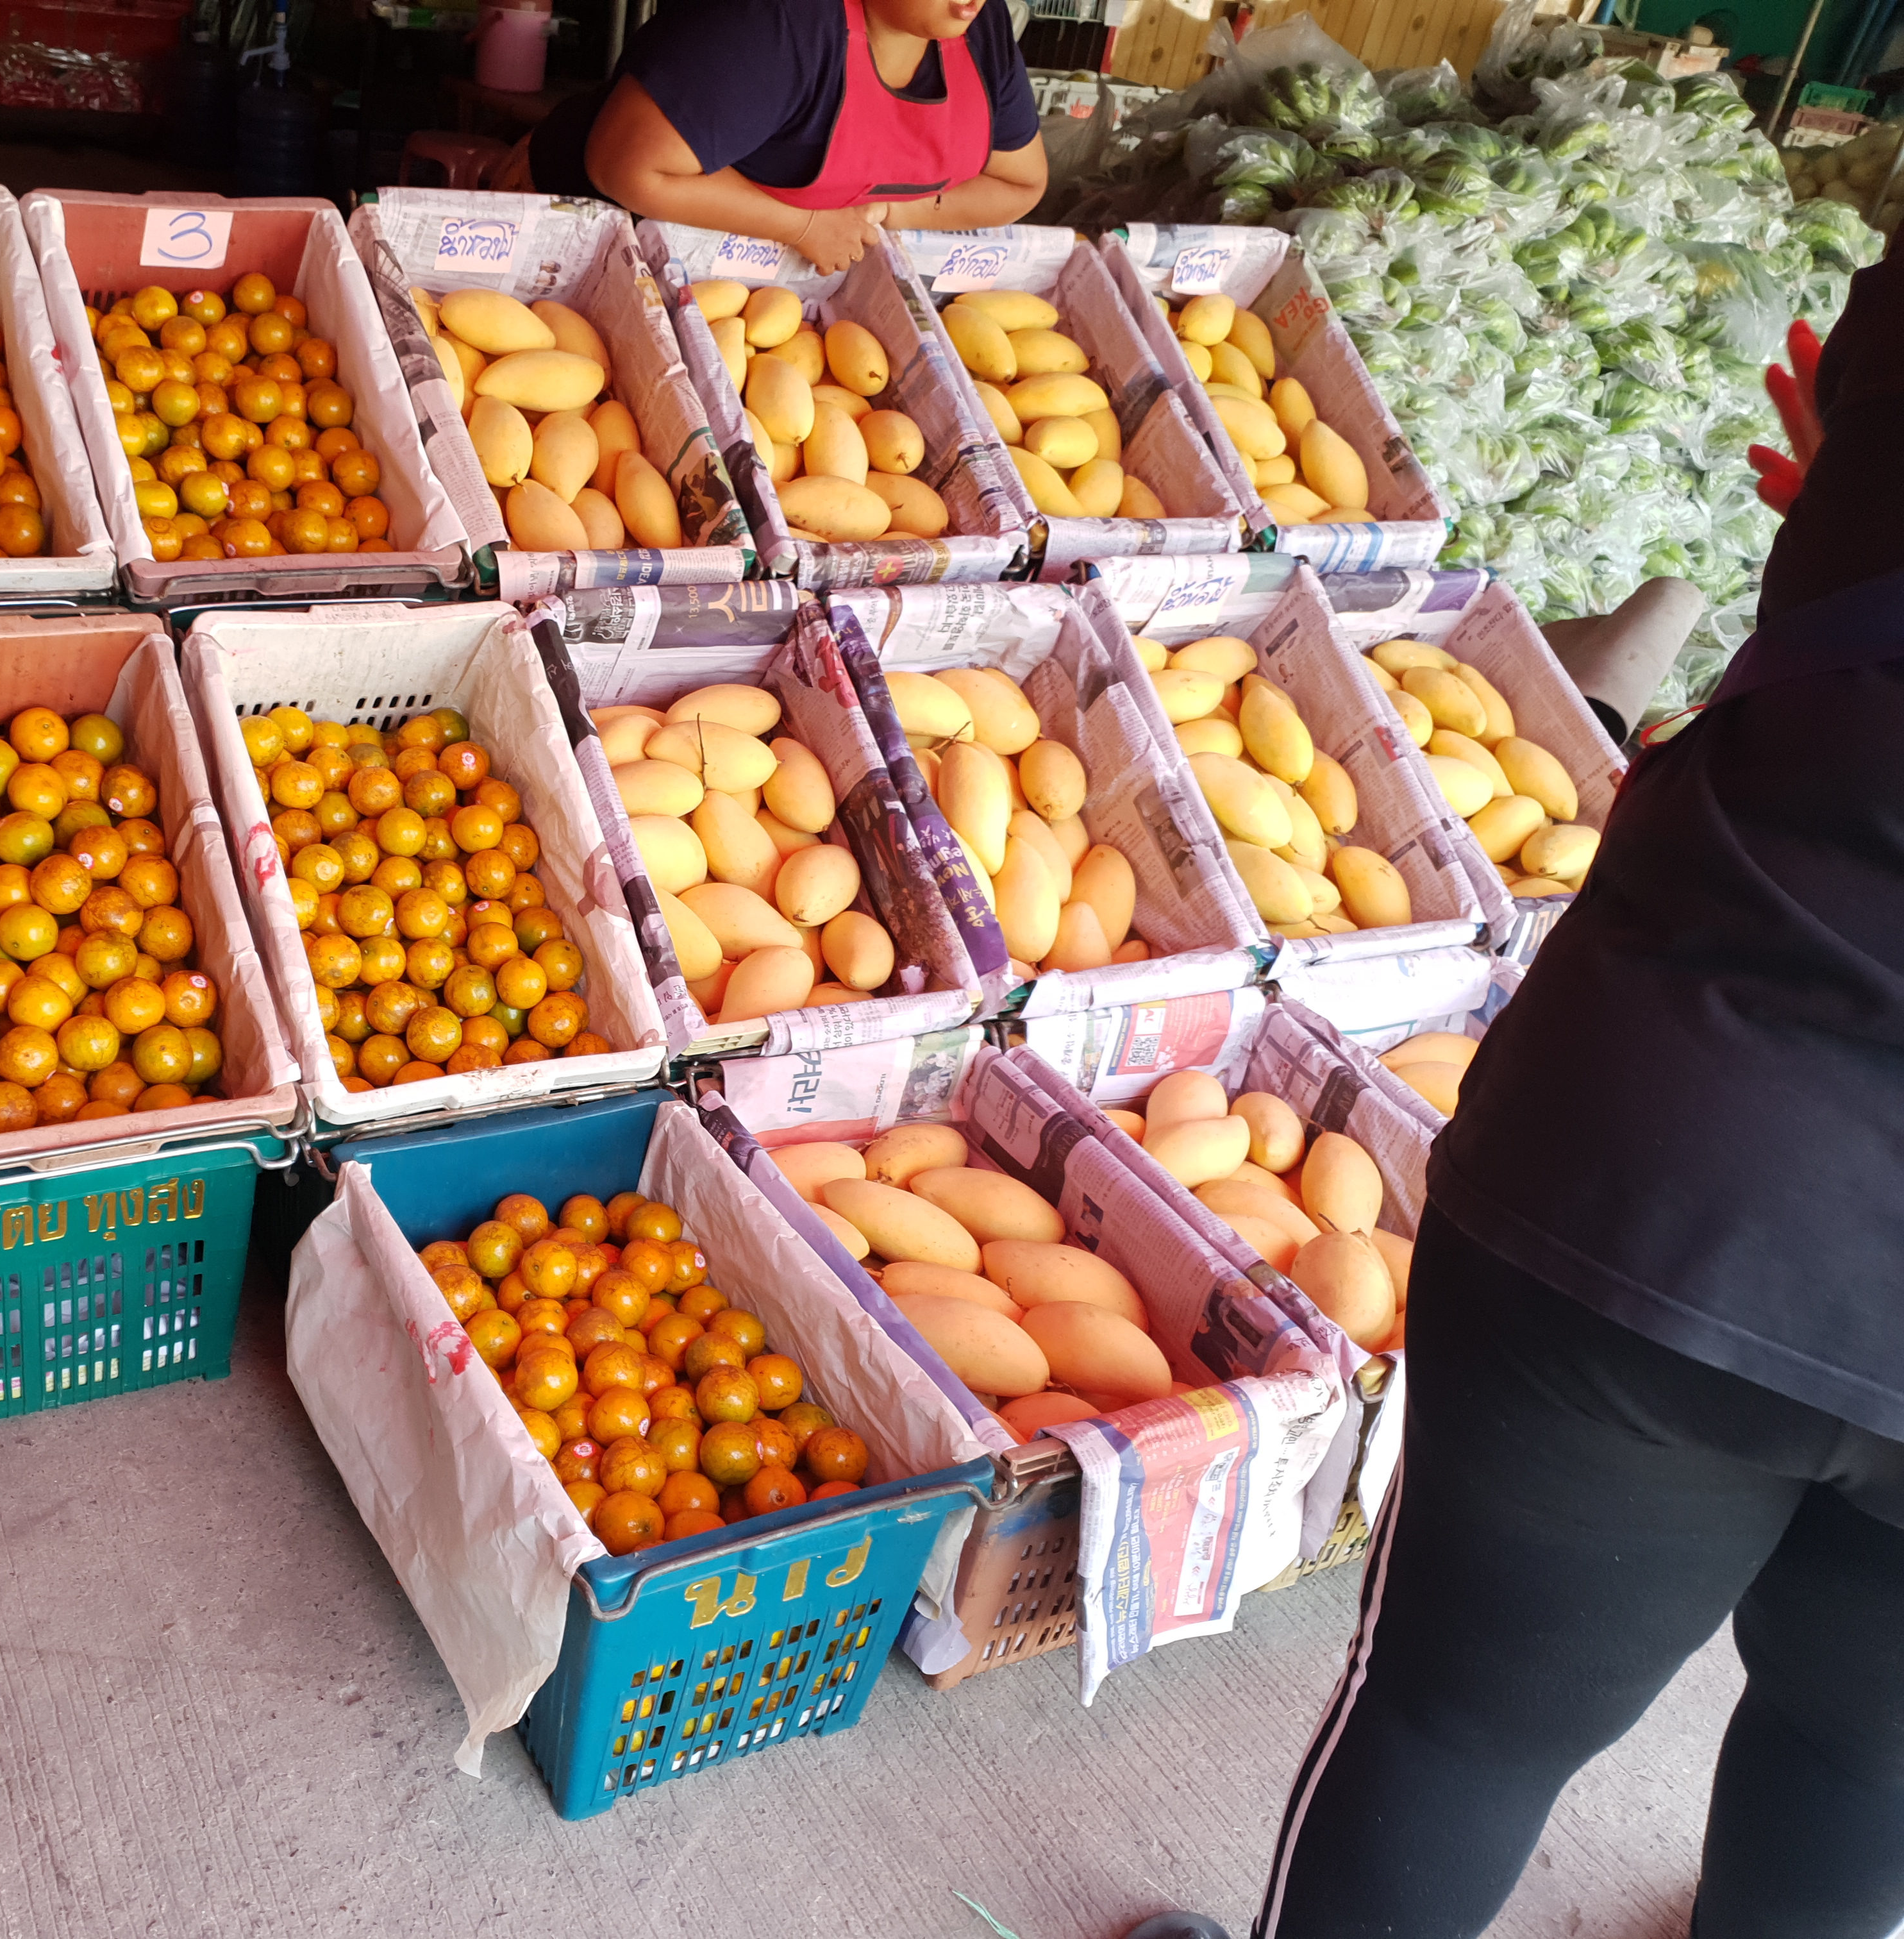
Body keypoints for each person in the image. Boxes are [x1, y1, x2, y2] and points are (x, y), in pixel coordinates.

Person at [1132, 253, 1904, 1939]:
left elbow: (1841, 454)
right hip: (1716, 1167)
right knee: (1868, 1762)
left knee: (1462, 1728)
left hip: (1689, 1157)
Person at [515, 0, 1046, 271]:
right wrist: (806, 225)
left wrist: (883, 212)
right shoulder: (779, 22)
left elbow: (1020, 184)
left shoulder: (982, 29)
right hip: (575, 231)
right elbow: (627, 167)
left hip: (745, 288)